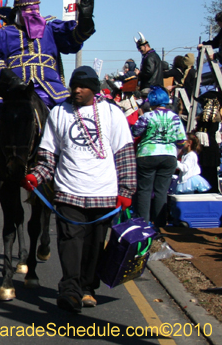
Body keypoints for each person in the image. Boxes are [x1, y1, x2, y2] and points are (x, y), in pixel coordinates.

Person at [22, 67, 136, 313]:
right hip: (68, 192)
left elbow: (125, 153)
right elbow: (48, 155)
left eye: (83, 87)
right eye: (74, 86)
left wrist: (126, 191)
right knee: (69, 243)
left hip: (103, 194)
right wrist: (36, 176)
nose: (76, 90)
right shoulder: (59, 112)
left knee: (94, 246)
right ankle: (70, 291)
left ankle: (87, 288)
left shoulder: (112, 113)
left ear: (94, 89)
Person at [0, 0, 95, 179]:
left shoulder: (51, 28)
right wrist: (7, 76)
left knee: (76, 116)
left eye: (36, 9)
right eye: (28, 10)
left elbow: (73, 38)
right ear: (18, 12)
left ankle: (77, 161)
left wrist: (86, 22)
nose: (33, 14)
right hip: (12, 90)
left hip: (50, 89)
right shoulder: (4, 33)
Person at [131, 86, 187, 227]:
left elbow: (135, 132)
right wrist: (174, 152)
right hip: (168, 155)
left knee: (144, 191)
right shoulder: (175, 117)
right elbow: (182, 140)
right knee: (161, 191)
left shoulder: (147, 116)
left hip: (147, 154)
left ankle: (142, 225)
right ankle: (161, 226)